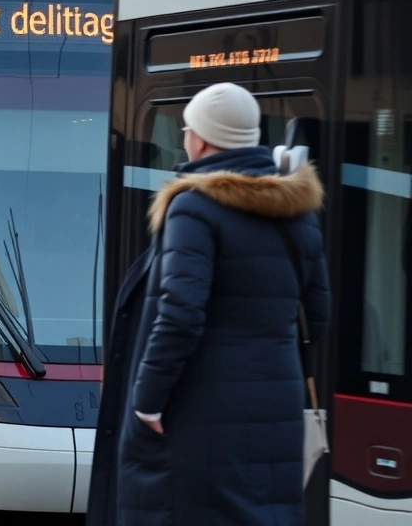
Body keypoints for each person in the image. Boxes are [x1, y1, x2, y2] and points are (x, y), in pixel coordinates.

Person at [87, 83, 331, 526]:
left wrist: (147, 401)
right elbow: (317, 317)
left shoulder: (194, 208)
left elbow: (179, 313)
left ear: (199, 138)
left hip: (198, 411)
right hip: (276, 409)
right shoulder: (301, 212)